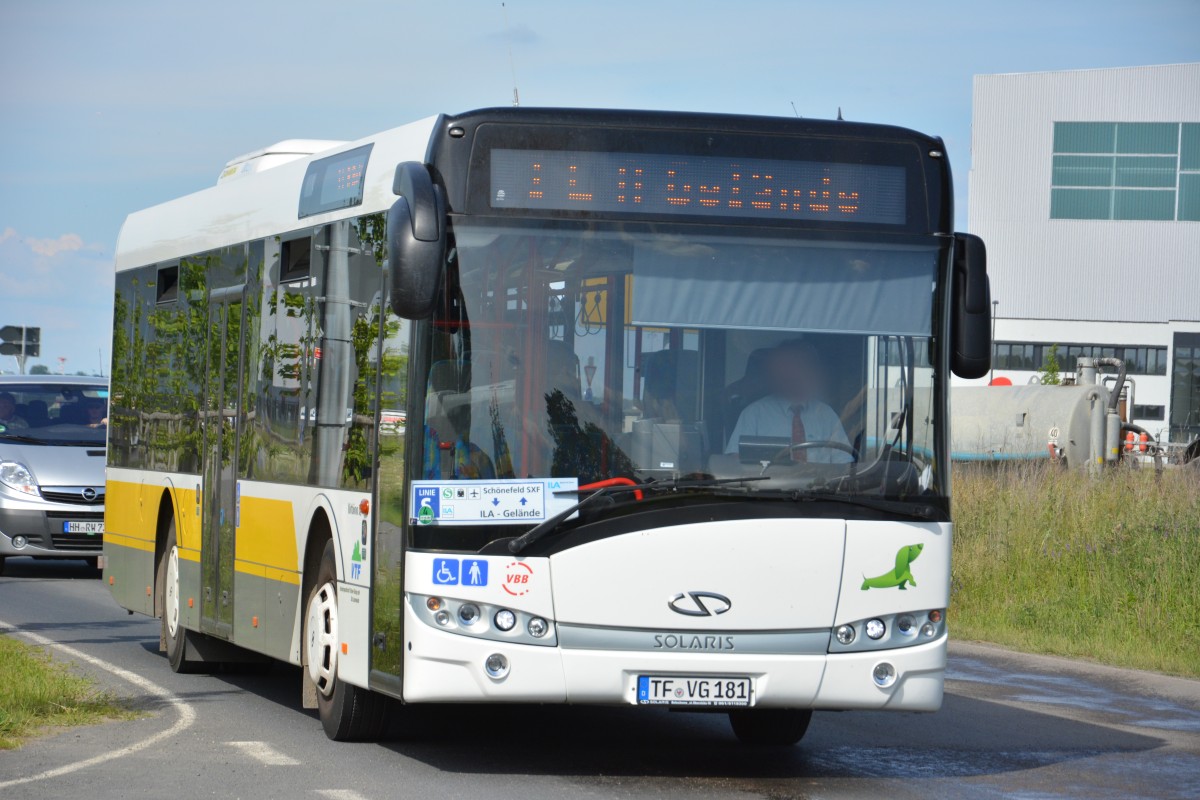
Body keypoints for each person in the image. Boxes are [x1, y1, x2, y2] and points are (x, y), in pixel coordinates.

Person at [724, 340, 853, 463]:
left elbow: (844, 463)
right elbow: (736, 462)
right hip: (767, 485)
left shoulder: (826, 415)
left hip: (820, 484)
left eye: (798, 365)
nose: (792, 372)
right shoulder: (754, 414)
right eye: (785, 366)